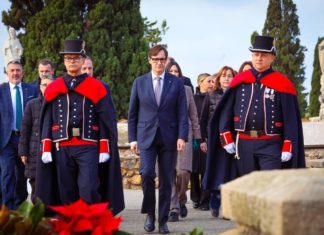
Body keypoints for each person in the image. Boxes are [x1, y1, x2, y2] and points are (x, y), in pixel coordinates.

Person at [203, 36, 305, 207]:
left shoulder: (282, 83)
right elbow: (225, 113)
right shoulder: (240, 81)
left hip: (271, 144)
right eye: (256, 54)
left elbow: (291, 119)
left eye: (263, 55)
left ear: (272, 57)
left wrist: (288, 143)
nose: (259, 58)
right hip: (244, 144)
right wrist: (225, 136)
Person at [36, 39, 124, 215]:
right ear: (64, 61)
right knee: (66, 193)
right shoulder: (54, 87)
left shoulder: (97, 87)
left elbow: (105, 119)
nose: (72, 61)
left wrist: (104, 147)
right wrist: (46, 145)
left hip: (88, 146)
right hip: (61, 146)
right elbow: (47, 118)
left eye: (76, 58)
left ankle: (91, 226)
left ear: (83, 60)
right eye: (68, 58)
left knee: (89, 189)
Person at [128, 45, 188, 234]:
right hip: (146, 137)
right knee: (146, 174)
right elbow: (133, 114)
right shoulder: (139, 82)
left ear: (167, 60)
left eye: (162, 59)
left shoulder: (176, 83)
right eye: (155, 59)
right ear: (149, 60)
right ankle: (150, 214)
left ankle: (162, 220)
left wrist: (182, 136)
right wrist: (132, 139)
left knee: (166, 180)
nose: (159, 63)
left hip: (169, 138)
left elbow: (182, 113)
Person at [165, 61, 201, 222]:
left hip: (185, 135)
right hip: (165, 135)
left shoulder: (187, 90)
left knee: (183, 171)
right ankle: (173, 208)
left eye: (176, 71)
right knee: (169, 172)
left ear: (180, 74)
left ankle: (181, 198)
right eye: (170, 71)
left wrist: (197, 138)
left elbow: (193, 116)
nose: (173, 74)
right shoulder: (160, 90)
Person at [0, 60, 38, 209]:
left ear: (22, 72)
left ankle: (20, 205)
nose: (15, 73)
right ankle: (7, 208)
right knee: (7, 174)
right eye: (12, 70)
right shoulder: (1, 91)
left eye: (18, 70)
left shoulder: (32, 90)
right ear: (6, 73)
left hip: (25, 140)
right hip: (6, 140)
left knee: (23, 175)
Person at [200, 66, 235, 217]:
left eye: (230, 75)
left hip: (233, 139)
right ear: (219, 79)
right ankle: (215, 203)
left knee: (230, 173)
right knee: (216, 171)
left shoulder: (238, 94)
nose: (227, 78)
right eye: (224, 76)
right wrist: (202, 139)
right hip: (215, 138)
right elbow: (203, 119)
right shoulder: (211, 95)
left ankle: (228, 207)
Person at [18, 75, 54, 204]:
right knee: (35, 182)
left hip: (54, 150)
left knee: (52, 181)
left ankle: (50, 210)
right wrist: (23, 151)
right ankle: (37, 211)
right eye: (44, 85)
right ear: (40, 87)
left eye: (50, 85)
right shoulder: (31, 105)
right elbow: (25, 129)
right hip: (34, 150)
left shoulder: (59, 104)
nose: (47, 88)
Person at [190, 73, 213, 211]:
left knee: (206, 169)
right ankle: (195, 198)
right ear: (200, 83)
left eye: (212, 81)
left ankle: (205, 200)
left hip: (207, 137)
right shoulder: (193, 98)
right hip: (194, 138)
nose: (211, 84)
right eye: (208, 81)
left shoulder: (214, 98)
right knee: (193, 170)